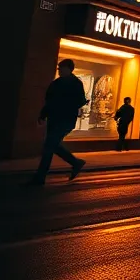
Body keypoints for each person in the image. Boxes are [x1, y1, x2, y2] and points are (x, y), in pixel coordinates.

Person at [29, 58, 88, 186]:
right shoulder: (56, 83)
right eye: (58, 68)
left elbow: (81, 100)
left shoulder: (75, 83)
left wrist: (66, 104)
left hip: (65, 120)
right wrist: (43, 115)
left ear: (68, 68)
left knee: (49, 146)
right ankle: (76, 163)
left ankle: (39, 178)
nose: (59, 70)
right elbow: (49, 101)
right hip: (54, 119)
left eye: (61, 68)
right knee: (53, 145)